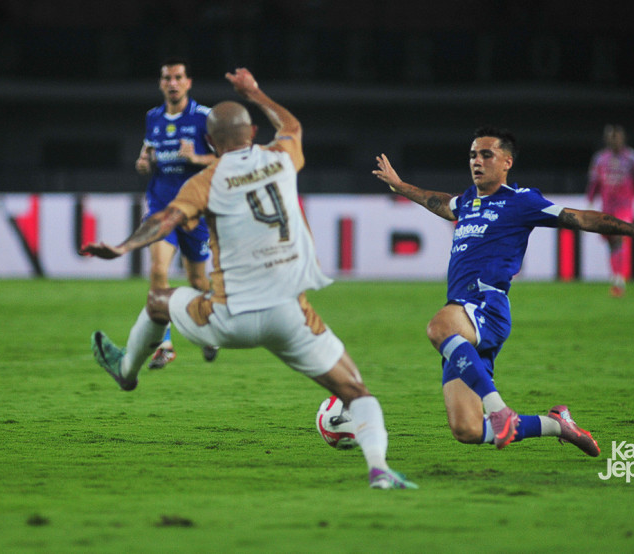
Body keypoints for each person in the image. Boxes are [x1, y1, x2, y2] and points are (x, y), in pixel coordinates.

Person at [81, 68, 417, 490]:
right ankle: (379, 471)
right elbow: (292, 125)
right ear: (252, 131)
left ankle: (125, 369)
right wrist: (255, 91)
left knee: (158, 301)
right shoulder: (281, 157)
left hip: (226, 317)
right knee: (357, 391)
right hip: (289, 315)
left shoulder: (206, 180)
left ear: (209, 142)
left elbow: (165, 220)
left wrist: (122, 248)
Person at [373, 126, 634, 454]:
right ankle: (557, 424)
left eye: (486, 154)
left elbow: (579, 218)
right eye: (472, 155)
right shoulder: (466, 201)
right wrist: (400, 185)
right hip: (465, 318)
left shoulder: (521, 201)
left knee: (438, 327)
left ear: (506, 162)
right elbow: (436, 202)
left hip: (486, 303)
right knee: (466, 429)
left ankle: (499, 408)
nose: (476, 161)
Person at [136, 57, 219, 368]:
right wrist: (143, 163)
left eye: (178, 77)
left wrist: (196, 157)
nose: (172, 82)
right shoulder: (153, 118)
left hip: (195, 209)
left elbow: (226, 160)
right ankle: (165, 344)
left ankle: (208, 331)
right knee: (159, 271)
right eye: (167, 77)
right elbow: (147, 155)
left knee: (198, 281)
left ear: (188, 82)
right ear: (161, 83)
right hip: (162, 208)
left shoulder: (204, 117)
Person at [587, 124, 634, 296]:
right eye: (610, 137)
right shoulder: (600, 159)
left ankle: (619, 281)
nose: (613, 140)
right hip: (607, 207)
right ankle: (616, 276)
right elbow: (594, 184)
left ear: (622, 138)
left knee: (618, 237)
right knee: (611, 242)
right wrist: (589, 204)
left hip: (625, 207)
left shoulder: (633, 159)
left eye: (616, 137)